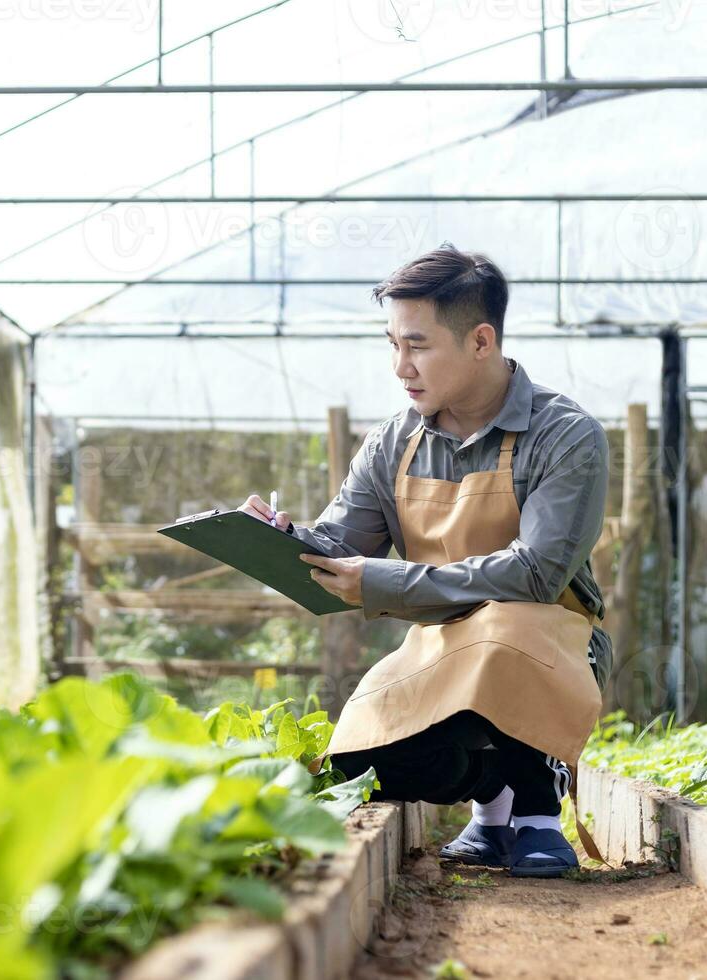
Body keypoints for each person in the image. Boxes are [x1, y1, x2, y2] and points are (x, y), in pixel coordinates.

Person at [239, 246, 613, 877]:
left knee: (507, 626)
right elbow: (340, 546)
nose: (400, 367)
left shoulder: (565, 436)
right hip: (439, 648)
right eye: (392, 344)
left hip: (552, 645)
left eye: (417, 345)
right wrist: (283, 539)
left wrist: (381, 581)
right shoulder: (392, 442)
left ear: (481, 341)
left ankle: (538, 815)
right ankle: (497, 789)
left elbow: (535, 574)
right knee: (360, 765)